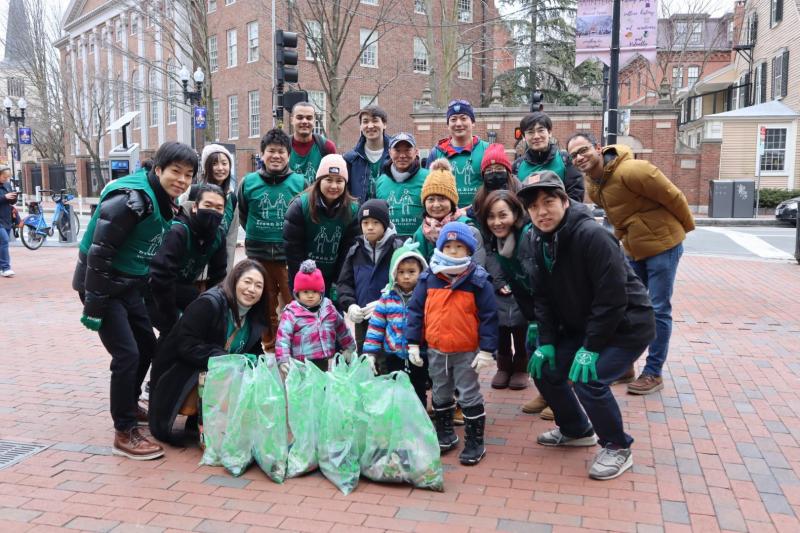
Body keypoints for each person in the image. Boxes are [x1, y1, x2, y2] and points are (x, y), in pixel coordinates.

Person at [516, 171, 655, 480]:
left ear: (566, 201)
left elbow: (612, 298)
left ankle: (618, 447)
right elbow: (542, 296)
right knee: (545, 367)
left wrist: (591, 348)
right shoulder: (535, 238)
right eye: (533, 206)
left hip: (626, 325)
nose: (541, 212)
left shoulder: (592, 235)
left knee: (588, 378)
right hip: (584, 325)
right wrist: (548, 340)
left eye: (549, 202)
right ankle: (576, 430)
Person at [72, 141, 197, 460]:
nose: (181, 180)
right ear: (158, 170)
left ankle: (128, 403)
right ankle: (124, 430)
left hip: (127, 285)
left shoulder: (164, 200)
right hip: (101, 283)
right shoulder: (132, 201)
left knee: (146, 347)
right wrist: (95, 304)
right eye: (175, 172)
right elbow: (99, 253)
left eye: (188, 175)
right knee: (126, 354)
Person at [566, 132, 694, 395]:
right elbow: (617, 217)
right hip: (634, 248)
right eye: (574, 155)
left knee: (658, 309)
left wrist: (683, 229)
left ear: (598, 148)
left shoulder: (634, 170)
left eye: (583, 150)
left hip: (663, 245)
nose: (579, 158)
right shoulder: (593, 183)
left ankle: (653, 372)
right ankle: (624, 365)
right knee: (623, 306)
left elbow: (674, 196)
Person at [406, 221, 498, 466]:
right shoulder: (429, 277)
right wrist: (413, 343)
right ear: (440, 248)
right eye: (448, 246)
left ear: (469, 250)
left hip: (466, 350)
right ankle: (444, 433)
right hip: (436, 349)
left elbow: (489, 316)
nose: (454, 251)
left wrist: (488, 350)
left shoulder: (477, 279)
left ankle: (475, 441)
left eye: (460, 246)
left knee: (468, 394)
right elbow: (415, 311)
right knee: (440, 390)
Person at [147, 260, 268, 444]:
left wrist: (262, 366)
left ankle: (210, 421)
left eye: (258, 286)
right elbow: (186, 345)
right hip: (179, 373)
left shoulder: (254, 315)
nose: (251, 289)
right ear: (234, 280)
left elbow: (254, 349)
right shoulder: (209, 304)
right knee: (227, 370)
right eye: (247, 281)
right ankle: (195, 415)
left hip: (217, 371)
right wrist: (227, 359)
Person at [238, 128, 307, 352]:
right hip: (258, 257)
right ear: (263, 154)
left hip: (289, 256)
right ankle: (271, 347)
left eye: (281, 151)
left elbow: (306, 218)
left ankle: (295, 348)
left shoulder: (300, 183)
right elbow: (244, 216)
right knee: (264, 305)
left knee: (294, 303)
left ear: (288, 155)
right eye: (271, 151)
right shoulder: (248, 182)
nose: (276, 156)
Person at [149, 184, 227, 336]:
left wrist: (214, 308)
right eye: (208, 205)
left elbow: (218, 276)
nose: (213, 211)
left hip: (182, 288)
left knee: (204, 319)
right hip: (154, 291)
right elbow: (161, 276)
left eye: (219, 208)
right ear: (195, 207)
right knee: (174, 332)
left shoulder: (218, 235)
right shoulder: (178, 231)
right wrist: (173, 316)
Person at [283, 154, 359, 299]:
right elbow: (293, 251)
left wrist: (339, 283)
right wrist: (301, 282)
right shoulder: (300, 206)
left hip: (333, 276)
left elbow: (348, 251)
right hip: (305, 275)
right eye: (328, 180)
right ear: (319, 180)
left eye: (339, 181)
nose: (334, 186)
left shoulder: (352, 210)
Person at [363, 240, 429, 405]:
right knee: (395, 389)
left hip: (420, 354)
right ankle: (399, 420)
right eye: (401, 272)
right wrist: (371, 353)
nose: (406, 276)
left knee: (419, 388)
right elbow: (376, 327)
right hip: (393, 354)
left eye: (411, 271)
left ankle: (419, 421)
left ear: (421, 272)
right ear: (394, 273)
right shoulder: (386, 299)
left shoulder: (426, 297)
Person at [337, 199, 404, 361]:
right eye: (365, 222)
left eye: (375, 222)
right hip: (364, 318)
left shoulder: (398, 248)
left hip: (392, 318)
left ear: (385, 224)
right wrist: (350, 305)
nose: (370, 227)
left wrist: (385, 303)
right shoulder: (355, 251)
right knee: (366, 360)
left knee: (389, 361)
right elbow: (344, 283)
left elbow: (406, 283)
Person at [478, 190, 531, 391]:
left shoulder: (526, 236)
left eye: (502, 215)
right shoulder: (488, 240)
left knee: (520, 331)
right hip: (497, 293)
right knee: (500, 331)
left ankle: (520, 367)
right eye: (491, 216)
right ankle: (503, 366)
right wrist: (498, 281)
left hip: (520, 295)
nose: (497, 222)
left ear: (515, 215)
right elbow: (486, 261)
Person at [275, 259, 356, 373]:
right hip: (300, 364)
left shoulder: (328, 309)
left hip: (322, 361)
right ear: (297, 293)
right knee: (302, 389)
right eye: (305, 292)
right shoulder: (291, 313)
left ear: (321, 293)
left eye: (314, 291)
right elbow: (283, 338)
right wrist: (283, 359)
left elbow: (341, 328)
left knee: (321, 386)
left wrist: (349, 347)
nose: (310, 295)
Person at [412, 160, 484, 265]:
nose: (436, 205)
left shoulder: (468, 228)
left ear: (452, 202)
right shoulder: (420, 234)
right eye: (431, 199)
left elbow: (478, 265)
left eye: (442, 199)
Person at [426, 99, 489, 207]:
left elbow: (497, 190)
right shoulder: (436, 153)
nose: (458, 124)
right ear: (448, 125)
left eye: (463, 118)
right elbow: (428, 190)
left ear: (473, 122)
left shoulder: (487, 149)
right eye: (453, 119)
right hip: (446, 218)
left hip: (480, 217)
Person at [512, 112, 585, 203]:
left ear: (549, 132)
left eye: (541, 130)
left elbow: (576, 196)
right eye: (530, 132)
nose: (536, 136)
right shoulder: (517, 166)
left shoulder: (565, 160)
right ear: (523, 137)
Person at [374, 132, 429, 240]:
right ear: (390, 152)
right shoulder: (381, 181)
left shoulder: (429, 177)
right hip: (389, 244)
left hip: (420, 243)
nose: (402, 155)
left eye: (407, 150)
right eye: (397, 150)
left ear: (416, 152)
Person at [193, 144, 239, 274]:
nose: (220, 168)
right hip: (190, 270)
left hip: (217, 270)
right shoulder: (193, 192)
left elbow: (230, 240)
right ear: (206, 167)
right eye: (214, 163)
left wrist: (227, 274)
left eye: (224, 163)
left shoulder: (232, 199)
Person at [344, 105, 391, 204]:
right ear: (360, 126)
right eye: (365, 122)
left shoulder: (395, 157)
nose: (370, 126)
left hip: (389, 216)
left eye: (375, 121)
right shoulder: (350, 159)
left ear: (384, 124)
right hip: (359, 217)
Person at [470, 143, 519, 227]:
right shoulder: (479, 197)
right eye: (488, 170)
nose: (494, 173)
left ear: (507, 171)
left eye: (499, 168)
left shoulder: (519, 191)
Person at [288, 101, 337, 186]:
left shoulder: (327, 147)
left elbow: (334, 179)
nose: (304, 121)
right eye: (299, 117)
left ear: (314, 120)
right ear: (292, 120)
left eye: (309, 118)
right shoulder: (283, 147)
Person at [0, 165, 18, 277]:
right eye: (4, 177)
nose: (6, 179)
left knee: (2, 243)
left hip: (6, 218)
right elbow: (3, 198)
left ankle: (2, 267)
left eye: (7, 177)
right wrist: (4, 197)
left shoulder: (7, 185)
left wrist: (14, 197)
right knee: (5, 240)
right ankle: (6, 268)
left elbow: (11, 203)